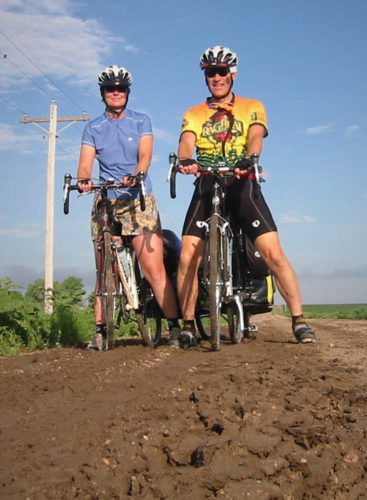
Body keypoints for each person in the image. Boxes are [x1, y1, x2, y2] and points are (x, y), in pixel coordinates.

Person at [174, 46, 316, 346]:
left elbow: (255, 136)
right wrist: (185, 159)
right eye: (210, 72)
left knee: (273, 252)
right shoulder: (195, 113)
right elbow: (186, 141)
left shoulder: (252, 106)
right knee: (187, 255)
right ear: (205, 76)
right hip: (207, 182)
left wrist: (248, 158)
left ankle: (299, 320)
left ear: (232, 74)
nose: (217, 77)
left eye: (222, 71)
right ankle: (187, 323)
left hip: (242, 181)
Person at [77, 65, 179, 350]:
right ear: (102, 94)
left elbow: (145, 154)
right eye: (110, 88)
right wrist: (84, 179)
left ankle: (174, 327)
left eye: (121, 88)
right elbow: (85, 163)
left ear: (128, 93)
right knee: (102, 269)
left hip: (137, 198)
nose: (116, 93)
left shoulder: (141, 121)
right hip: (107, 199)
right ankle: (99, 331)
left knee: (152, 266)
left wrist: (138, 173)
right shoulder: (93, 128)